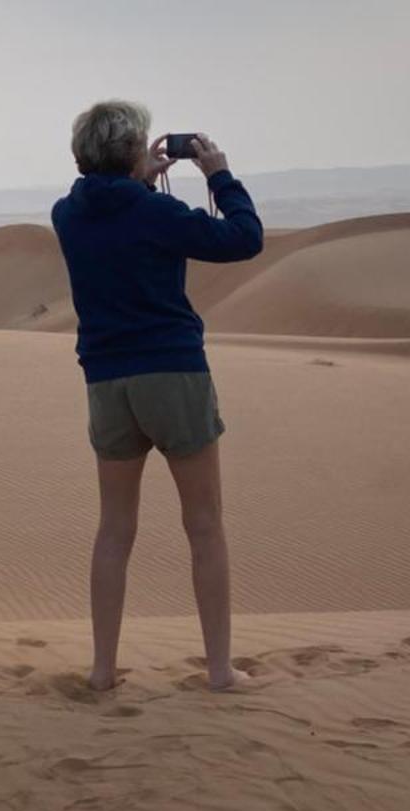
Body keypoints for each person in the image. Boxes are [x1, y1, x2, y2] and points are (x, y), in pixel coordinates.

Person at [51, 101, 264, 692]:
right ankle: (219, 670)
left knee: (114, 529)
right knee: (204, 525)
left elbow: (102, 201)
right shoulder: (157, 211)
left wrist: (134, 172)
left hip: (105, 381)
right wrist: (218, 173)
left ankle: (101, 670)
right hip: (171, 372)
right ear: (129, 153)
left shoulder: (66, 214)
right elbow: (244, 239)